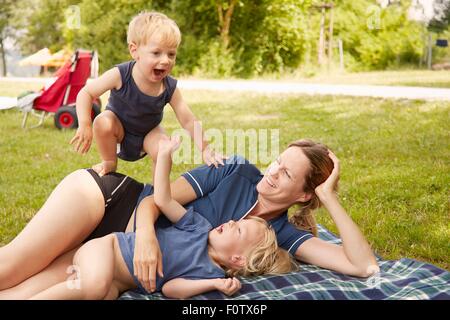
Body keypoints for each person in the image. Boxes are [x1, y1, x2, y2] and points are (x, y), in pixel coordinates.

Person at [0, 139, 379, 296]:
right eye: (278, 160)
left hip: (113, 254)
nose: (272, 172)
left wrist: (329, 197)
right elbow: (154, 199)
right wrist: (147, 238)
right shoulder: (234, 170)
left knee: (23, 293)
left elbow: (362, 266)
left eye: (286, 174)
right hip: (108, 201)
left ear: (303, 195)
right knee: (11, 268)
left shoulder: (277, 234)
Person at [23, 137, 293, 300]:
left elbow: (172, 289)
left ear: (238, 260)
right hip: (107, 251)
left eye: (239, 230)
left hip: (118, 282)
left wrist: (212, 284)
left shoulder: (209, 272)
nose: (232, 221)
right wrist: (164, 159)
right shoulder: (199, 226)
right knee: (93, 286)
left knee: (99, 293)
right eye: (237, 221)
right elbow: (162, 200)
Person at [69, 11, 224, 177]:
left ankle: (159, 193)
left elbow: (188, 119)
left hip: (149, 135)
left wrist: (206, 148)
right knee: (102, 121)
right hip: (119, 131)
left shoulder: (169, 86)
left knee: (165, 147)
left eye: (171, 54)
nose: (165, 60)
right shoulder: (120, 74)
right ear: (134, 51)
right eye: (156, 53)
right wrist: (85, 123)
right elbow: (86, 93)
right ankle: (109, 163)